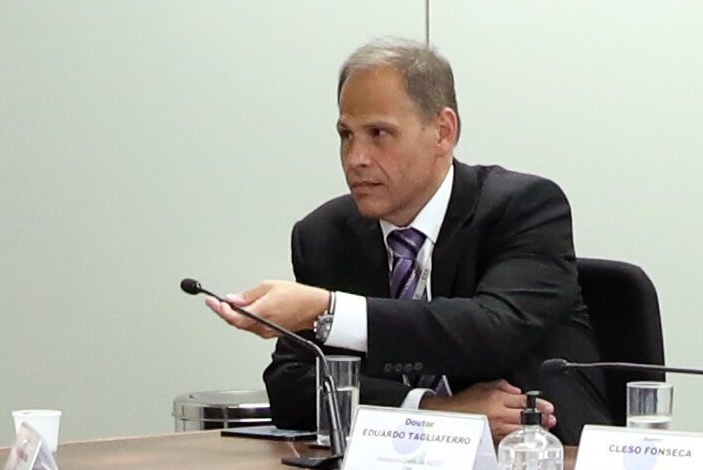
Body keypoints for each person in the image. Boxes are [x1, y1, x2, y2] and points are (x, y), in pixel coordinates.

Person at [205, 38, 611, 444]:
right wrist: (432, 411)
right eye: (346, 134)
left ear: (443, 132)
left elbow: (490, 331)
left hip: (545, 453)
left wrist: (327, 310)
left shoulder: (524, 207)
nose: (355, 158)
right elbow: (292, 386)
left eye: (378, 133)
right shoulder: (325, 235)